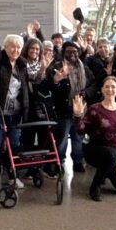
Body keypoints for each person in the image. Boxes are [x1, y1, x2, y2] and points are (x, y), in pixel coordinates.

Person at [0, 34, 32, 192]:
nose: (16, 50)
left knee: (14, 144)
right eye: (12, 46)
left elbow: (33, 79)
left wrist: (45, 69)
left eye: (18, 47)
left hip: (16, 112)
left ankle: (12, 174)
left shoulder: (22, 64)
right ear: (5, 46)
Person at [72, 77, 116, 201]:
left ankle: (106, 171)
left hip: (115, 154)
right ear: (102, 90)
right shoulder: (95, 109)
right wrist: (78, 115)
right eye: (107, 86)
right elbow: (80, 130)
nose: (110, 89)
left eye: (113, 87)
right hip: (94, 150)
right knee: (110, 154)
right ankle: (95, 186)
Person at [44, 41, 93, 174]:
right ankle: (58, 162)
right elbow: (48, 86)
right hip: (63, 109)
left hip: (80, 109)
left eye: (75, 51)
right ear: (63, 53)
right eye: (68, 51)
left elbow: (93, 84)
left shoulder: (84, 67)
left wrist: (86, 92)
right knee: (62, 139)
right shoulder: (56, 66)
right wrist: (56, 80)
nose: (72, 54)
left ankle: (78, 161)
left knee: (78, 138)